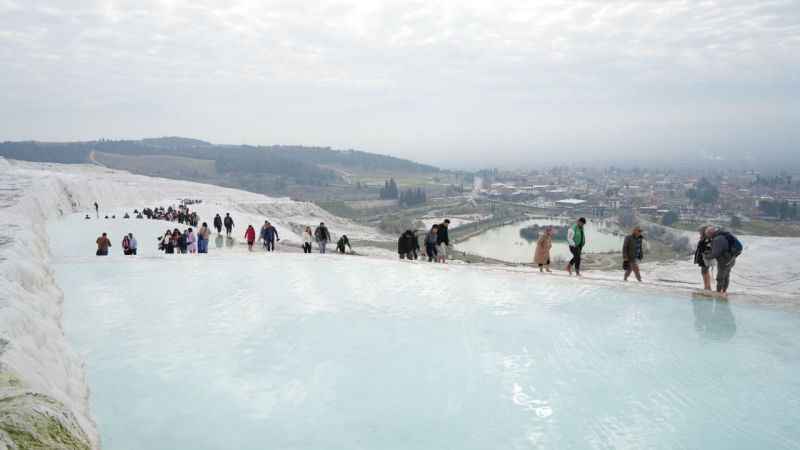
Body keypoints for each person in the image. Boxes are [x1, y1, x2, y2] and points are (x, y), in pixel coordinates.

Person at [706, 226, 742, 297]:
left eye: (707, 235)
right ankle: (724, 291)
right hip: (732, 258)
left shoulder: (717, 239)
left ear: (710, 233)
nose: (708, 237)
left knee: (720, 277)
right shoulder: (725, 235)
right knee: (726, 276)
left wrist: (707, 256)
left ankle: (719, 293)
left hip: (724, 260)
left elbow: (716, 253)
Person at [694, 226, 714, 291]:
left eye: (700, 231)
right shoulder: (705, 238)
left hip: (705, 258)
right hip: (703, 258)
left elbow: (707, 248)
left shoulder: (706, 239)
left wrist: (705, 253)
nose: (699, 232)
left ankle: (707, 287)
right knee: (705, 272)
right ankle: (707, 286)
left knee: (704, 272)